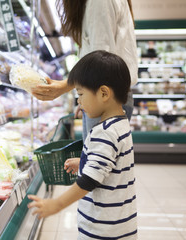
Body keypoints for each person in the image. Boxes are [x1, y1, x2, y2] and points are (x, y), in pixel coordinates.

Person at [28, 50, 137, 239]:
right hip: (119, 225)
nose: (79, 101)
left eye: (81, 94)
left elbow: (89, 180)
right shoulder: (121, 123)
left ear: (103, 93)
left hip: (101, 229)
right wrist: (84, 162)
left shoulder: (104, 132)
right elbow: (109, 163)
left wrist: (57, 204)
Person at [31, 0, 138, 142]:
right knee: (102, 157)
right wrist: (85, 97)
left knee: (98, 159)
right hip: (104, 95)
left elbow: (100, 61)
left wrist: (65, 86)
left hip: (106, 99)